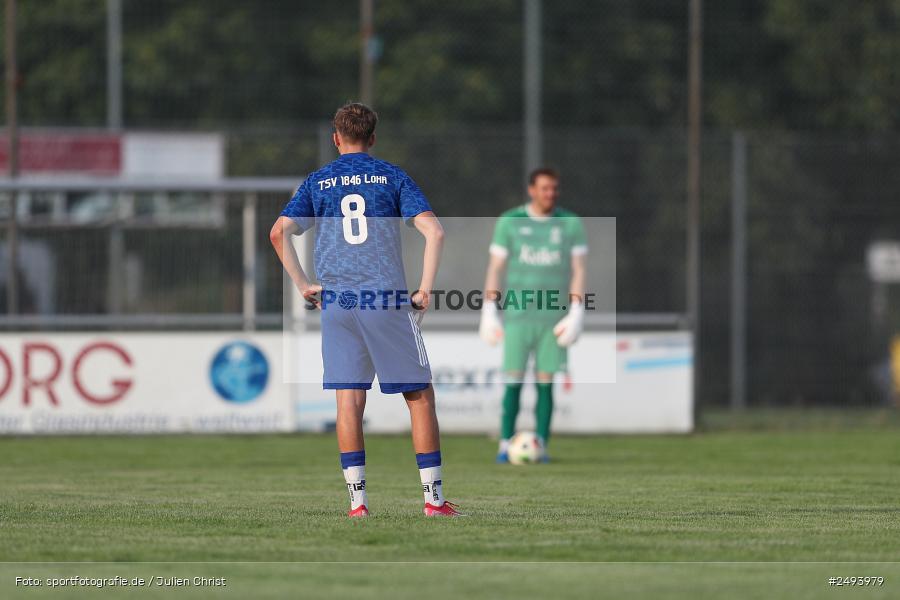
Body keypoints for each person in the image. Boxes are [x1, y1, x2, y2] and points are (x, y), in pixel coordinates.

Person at [270, 102, 462, 517]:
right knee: (419, 396)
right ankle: (433, 501)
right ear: (373, 138)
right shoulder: (392, 176)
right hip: (384, 297)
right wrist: (424, 289)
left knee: (348, 400)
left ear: (336, 138)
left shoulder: (317, 181)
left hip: (337, 300)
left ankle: (358, 505)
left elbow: (278, 232)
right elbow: (435, 231)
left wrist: (304, 285)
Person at [480, 167, 587, 463]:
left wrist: (577, 310)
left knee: (545, 383)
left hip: (553, 317)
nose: (550, 194)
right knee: (512, 381)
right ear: (531, 190)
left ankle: (541, 444)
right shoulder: (510, 221)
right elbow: (495, 268)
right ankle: (504, 444)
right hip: (517, 316)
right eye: (544, 188)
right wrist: (489, 309)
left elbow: (578, 269)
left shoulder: (570, 223)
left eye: (554, 188)